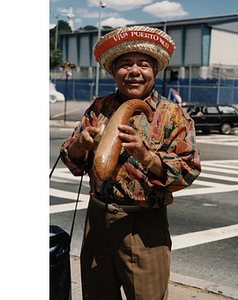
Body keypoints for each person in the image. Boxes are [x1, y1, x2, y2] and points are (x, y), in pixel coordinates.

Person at [60, 26, 201, 300]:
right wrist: (80, 144)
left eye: (143, 65)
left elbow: (188, 170)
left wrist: (146, 156)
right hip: (97, 219)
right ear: (114, 72)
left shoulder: (172, 115)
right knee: (96, 294)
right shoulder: (99, 108)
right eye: (125, 65)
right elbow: (72, 161)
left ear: (155, 71)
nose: (134, 71)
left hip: (144, 223)